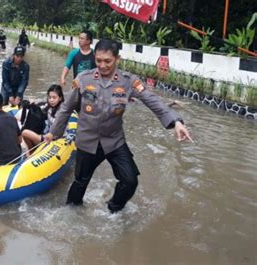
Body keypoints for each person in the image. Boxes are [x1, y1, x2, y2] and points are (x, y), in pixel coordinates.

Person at [45, 39, 193, 213]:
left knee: (130, 181)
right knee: (80, 181)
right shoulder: (83, 79)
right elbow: (66, 108)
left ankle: (113, 209)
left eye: (107, 61)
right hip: (87, 141)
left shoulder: (128, 81)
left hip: (113, 141)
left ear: (117, 59)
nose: (102, 65)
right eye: (99, 60)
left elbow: (151, 100)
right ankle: (71, 212)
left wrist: (175, 121)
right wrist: (53, 133)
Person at [22, 84, 64, 154]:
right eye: (50, 97)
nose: (51, 100)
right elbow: (40, 109)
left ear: (60, 98)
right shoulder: (48, 107)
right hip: (47, 135)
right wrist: (33, 103)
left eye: (54, 98)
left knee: (25, 132)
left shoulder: (62, 111)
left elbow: (59, 127)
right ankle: (32, 152)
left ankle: (31, 153)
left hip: (53, 138)